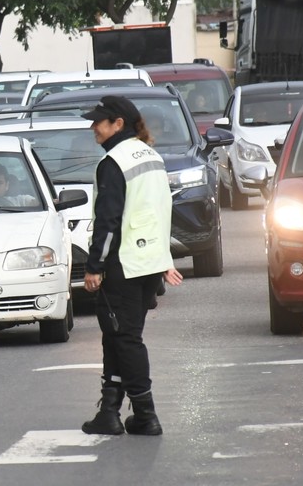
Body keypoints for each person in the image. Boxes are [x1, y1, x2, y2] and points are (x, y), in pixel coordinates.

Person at [78, 95, 184, 437]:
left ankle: (145, 414)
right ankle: (109, 412)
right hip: (149, 262)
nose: (93, 127)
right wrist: (164, 260)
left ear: (118, 124)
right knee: (117, 336)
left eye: (99, 121)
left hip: (123, 263)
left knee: (125, 339)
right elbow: (160, 210)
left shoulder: (114, 162)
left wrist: (94, 266)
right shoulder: (151, 155)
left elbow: (107, 220)